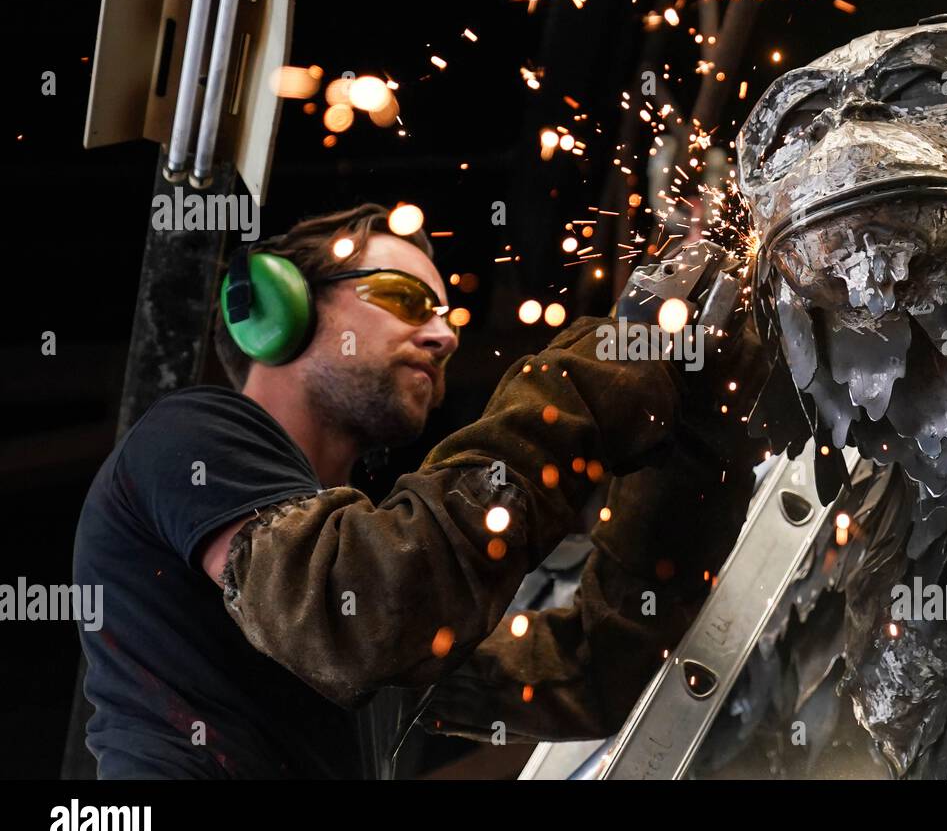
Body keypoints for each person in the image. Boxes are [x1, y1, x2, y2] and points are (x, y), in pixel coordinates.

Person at [73, 203, 764, 778]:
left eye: (450, 318)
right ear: (279, 309)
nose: (441, 336)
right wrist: (602, 369)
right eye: (405, 300)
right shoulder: (191, 438)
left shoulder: (379, 611)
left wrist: (694, 445)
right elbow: (359, 609)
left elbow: (592, 670)